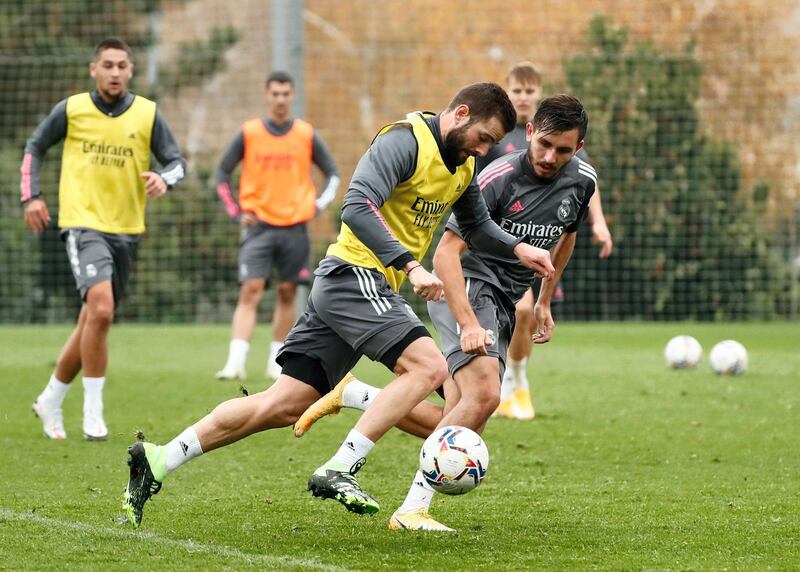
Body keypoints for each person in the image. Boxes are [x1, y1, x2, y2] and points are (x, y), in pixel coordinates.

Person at [122, 82, 555, 528]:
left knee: (282, 405)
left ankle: (158, 458)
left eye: (492, 144)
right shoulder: (404, 141)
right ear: (461, 114)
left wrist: (520, 249)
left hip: (357, 287)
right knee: (430, 369)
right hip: (354, 276)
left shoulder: (462, 168)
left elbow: (477, 225)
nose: (485, 150)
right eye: (484, 138)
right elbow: (356, 205)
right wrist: (410, 265)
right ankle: (340, 467)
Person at [294, 94, 596, 531]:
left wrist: (545, 298)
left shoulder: (583, 181)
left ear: (579, 149)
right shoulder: (494, 175)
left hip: (507, 299)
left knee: (462, 418)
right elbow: (447, 252)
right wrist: (469, 321)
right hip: (472, 286)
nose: (551, 157)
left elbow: (566, 235)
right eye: (544, 144)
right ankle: (406, 504)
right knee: (485, 396)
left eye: (563, 150)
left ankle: (359, 396)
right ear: (529, 133)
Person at [21, 38, 186, 441]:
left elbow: (178, 163)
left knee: (93, 319)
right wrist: (31, 196)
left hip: (127, 229)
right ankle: (92, 413)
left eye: (121, 66)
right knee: (102, 310)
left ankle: (50, 398)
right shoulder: (72, 109)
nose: (114, 72)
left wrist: (163, 178)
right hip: (82, 223)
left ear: (131, 70)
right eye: (107, 65)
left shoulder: (147, 113)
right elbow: (35, 147)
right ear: (93, 69)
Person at [481, 61, 613, 420]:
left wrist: (598, 222)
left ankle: (516, 385)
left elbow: (585, 188)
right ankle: (492, 387)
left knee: (525, 312)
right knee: (504, 317)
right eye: (517, 91)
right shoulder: (497, 137)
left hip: (536, 246)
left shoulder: (565, 143)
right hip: (492, 247)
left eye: (529, 91)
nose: (550, 157)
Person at [214, 71, 340, 381]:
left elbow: (333, 174)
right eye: (275, 94)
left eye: (286, 94)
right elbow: (221, 174)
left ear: (293, 96)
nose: (280, 99)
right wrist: (235, 213)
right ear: (266, 95)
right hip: (258, 227)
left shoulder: (306, 134)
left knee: (287, 293)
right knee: (251, 290)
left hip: (295, 228)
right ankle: (235, 362)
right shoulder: (249, 133)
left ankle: (276, 360)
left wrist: (317, 205)